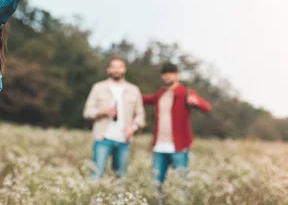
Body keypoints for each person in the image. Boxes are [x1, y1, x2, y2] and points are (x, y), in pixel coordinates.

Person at [142, 62, 212, 202]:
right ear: (162, 76)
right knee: (156, 185)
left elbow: (206, 107)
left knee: (181, 185)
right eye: (165, 74)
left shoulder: (185, 93)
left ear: (177, 75)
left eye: (171, 74)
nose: (168, 77)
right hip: (159, 147)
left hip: (178, 147)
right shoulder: (160, 93)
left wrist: (196, 102)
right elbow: (146, 99)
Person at [82, 55, 145, 180]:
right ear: (108, 70)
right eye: (113, 67)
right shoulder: (98, 87)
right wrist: (102, 111)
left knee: (120, 177)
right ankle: (92, 199)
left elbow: (140, 115)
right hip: (103, 138)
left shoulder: (134, 90)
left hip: (123, 140)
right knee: (96, 174)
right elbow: (87, 111)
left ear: (124, 69)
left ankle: (117, 200)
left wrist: (133, 127)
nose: (116, 70)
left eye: (119, 67)